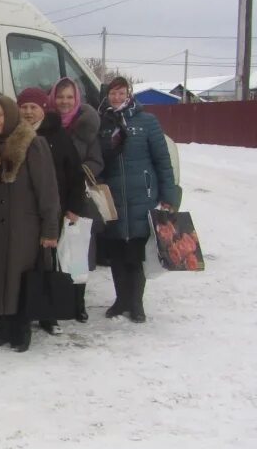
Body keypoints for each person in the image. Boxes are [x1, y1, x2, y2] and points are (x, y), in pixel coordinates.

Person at [0, 96, 59, 353]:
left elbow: (48, 191)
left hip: (25, 228)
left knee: (20, 279)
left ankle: (21, 328)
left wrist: (49, 230)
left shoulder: (33, 144)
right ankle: (4, 326)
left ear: (10, 115)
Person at [97, 77, 179, 323]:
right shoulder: (103, 123)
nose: (117, 97)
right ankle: (120, 299)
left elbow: (163, 162)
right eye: (113, 93)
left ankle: (136, 303)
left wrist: (168, 197)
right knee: (117, 253)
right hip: (114, 200)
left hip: (142, 198)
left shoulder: (147, 122)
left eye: (121, 92)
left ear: (129, 93)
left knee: (136, 254)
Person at [17, 87, 85, 335]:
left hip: (53, 210)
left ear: (43, 109)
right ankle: (23, 309)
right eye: (23, 107)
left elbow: (76, 174)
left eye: (33, 107)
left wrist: (74, 208)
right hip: (23, 213)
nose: (28, 112)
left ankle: (47, 315)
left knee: (49, 263)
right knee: (25, 263)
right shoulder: (13, 133)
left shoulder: (57, 135)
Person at [49, 77, 104, 322]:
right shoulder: (46, 124)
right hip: (51, 196)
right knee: (54, 252)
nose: (64, 101)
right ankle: (57, 300)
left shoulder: (87, 127)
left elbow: (97, 161)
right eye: (60, 96)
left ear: (77, 99)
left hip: (78, 196)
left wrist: (75, 172)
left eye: (69, 97)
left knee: (77, 252)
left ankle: (78, 302)